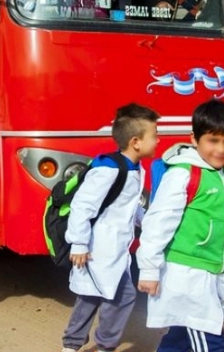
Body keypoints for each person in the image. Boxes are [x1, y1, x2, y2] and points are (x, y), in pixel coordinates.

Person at [136, 99, 224, 352]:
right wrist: (149, 269)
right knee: (211, 343)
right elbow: (157, 222)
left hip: (210, 273)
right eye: (213, 141)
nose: (220, 149)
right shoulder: (183, 174)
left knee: (180, 339)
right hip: (187, 276)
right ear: (194, 139)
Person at [61, 103, 160, 352]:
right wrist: (80, 243)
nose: (158, 141)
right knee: (120, 296)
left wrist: (147, 220)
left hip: (114, 249)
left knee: (92, 296)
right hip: (98, 249)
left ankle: (72, 345)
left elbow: (128, 205)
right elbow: (82, 206)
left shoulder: (134, 168)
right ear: (136, 142)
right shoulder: (110, 170)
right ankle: (101, 346)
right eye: (155, 135)